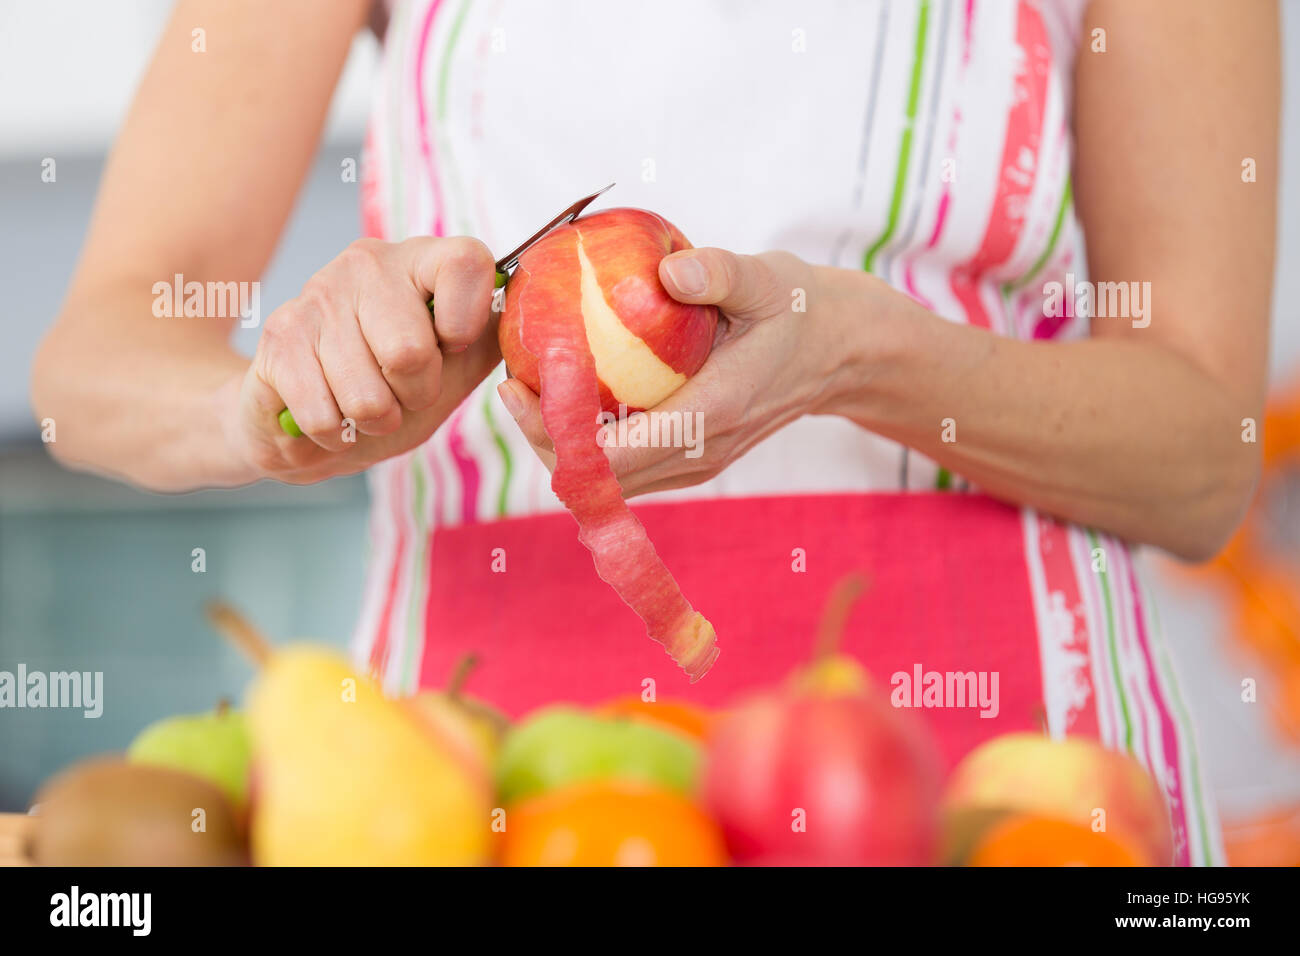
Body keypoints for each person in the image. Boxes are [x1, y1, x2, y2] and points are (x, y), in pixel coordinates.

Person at [31, 0, 1278, 865]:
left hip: (998, 802)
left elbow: (1204, 460)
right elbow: (91, 364)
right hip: (472, 804)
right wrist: (264, 408)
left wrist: (865, 357)